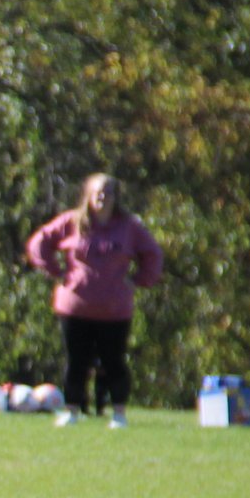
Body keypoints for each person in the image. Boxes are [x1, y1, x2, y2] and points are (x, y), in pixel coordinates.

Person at [26, 173, 165, 429]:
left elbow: (153, 255)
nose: (103, 197)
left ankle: (119, 414)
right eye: (98, 192)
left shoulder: (129, 227)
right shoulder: (72, 222)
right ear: (88, 195)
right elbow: (39, 243)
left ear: (115, 197)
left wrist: (138, 280)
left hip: (115, 309)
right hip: (76, 306)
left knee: (114, 362)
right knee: (76, 361)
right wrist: (56, 271)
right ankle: (71, 411)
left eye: (108, 192)